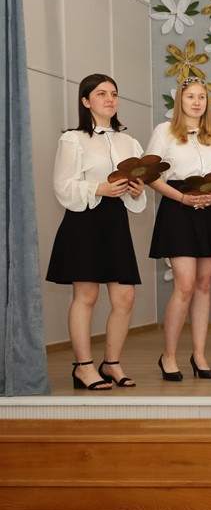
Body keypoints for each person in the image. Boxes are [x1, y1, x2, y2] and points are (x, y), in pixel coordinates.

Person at [47, 73, 147, 390]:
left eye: (113, 94)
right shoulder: (73, 139)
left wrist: (136, 191)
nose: (109, 99)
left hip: (116, 221)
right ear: (86, 101)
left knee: (125, 296)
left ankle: (111, 363)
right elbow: (62, 186)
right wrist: (99, 188)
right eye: (101, 94)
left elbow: (137, 195)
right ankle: (83, 366)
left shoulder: (130, 143)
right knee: (86, 295)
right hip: (84, 221)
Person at [147, 77, 211, 381]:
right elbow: (150, 175)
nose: (197, 102)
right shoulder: (164, 132)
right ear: (180, 101)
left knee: (204, 284)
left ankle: (199, 354)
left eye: (201, 97)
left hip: (210, 210)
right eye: (190, 96)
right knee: (184, 285)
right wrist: (182, 198)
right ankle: (168, 356)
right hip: (178, 208)